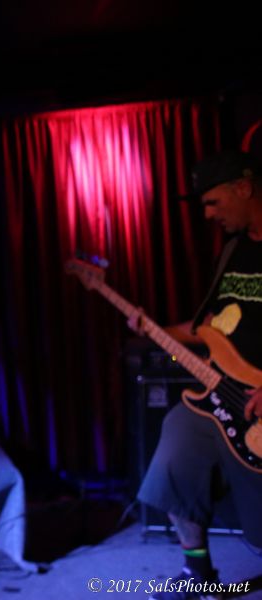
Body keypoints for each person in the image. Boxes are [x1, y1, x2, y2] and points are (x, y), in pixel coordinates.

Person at [130, 150, 262, 600]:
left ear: (244, 188)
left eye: (213, 202)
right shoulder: (232, 252)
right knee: (176, 449)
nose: (207, 215)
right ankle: (197, 574)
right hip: (224, 393)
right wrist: (152, 329)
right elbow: (207, 326)